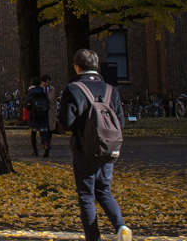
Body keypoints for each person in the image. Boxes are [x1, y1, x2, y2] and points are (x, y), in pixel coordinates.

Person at [58, 49, 132, 241]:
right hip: (108, 149)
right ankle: (121, 226)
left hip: (84, 150)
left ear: (77, 67)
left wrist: (84, 129)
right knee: (104, 190)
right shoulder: (110, 90)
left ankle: (93, 238)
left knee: (86, 196)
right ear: (96, 66)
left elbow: (65, 122)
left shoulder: (73, 89)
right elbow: (120, 123)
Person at [25, 76, 52, 157]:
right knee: (43, 133)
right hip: (43, 115)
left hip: (34, 115)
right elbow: (48, 102)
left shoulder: (30, 92)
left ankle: (35, 150)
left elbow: (27, 106)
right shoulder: (43, 91)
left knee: (33, 134)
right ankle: (46, 145)